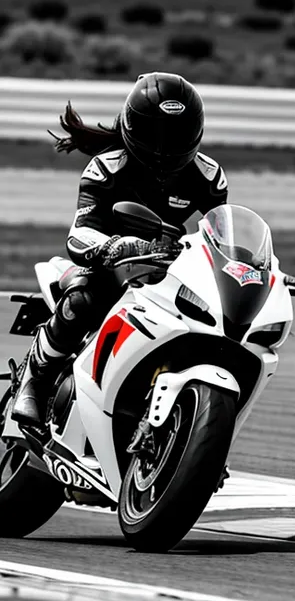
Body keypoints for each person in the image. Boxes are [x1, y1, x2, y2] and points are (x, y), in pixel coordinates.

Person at [12, 72, 228, 427]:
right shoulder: (107, 167)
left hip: (170, 270)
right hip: (108, 266)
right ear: (132, 127)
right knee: (84, 299)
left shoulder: (208, 176)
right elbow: (79, 233)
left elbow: (222, 233)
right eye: (156, 134)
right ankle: (35, 381)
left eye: (176, 135)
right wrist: (115, 246)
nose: (164, 146)